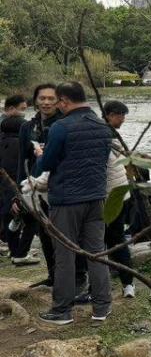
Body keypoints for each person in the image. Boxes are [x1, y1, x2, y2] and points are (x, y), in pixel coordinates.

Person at [33, 82, 113, 325]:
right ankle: (102, 307)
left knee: (65, 255)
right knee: (97, 252)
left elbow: (46, 165)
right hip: (97, 198)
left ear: (65, 101)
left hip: (67, 200)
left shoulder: (61, 127)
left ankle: (62, 310)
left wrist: (39, 155)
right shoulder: (103, 125)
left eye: (58, 101)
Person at [12, 83, 61, 274]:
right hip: (33, 188)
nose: (46, 102)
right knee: (44, 233)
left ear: (59, 102)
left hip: (58, 188)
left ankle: (71, 279)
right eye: (42, 98)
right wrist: (18, 193)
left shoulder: (63, 124)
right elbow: (22, 161)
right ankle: (52, 275)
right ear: (36, 101)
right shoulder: (27, 127)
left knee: (62, 234)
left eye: (51, 98)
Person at [102, 100, 136, 298]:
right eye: (120, 115)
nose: (122, 119)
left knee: (110, 238)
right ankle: (126, 283)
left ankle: (125, 282)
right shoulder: (106, 134)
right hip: (112, 194)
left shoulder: (108, 133)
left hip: (115, 195)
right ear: (109, 114)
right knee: (115, 239)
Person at [0, 97, 27, 258]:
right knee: (14, 214)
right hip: (11, 183)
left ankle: (11, 245)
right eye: (22, 109)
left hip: (6, 182)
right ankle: (16, 250)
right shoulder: (18, 143)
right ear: (10, 109)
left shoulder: (4, 135)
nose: (24, 113)